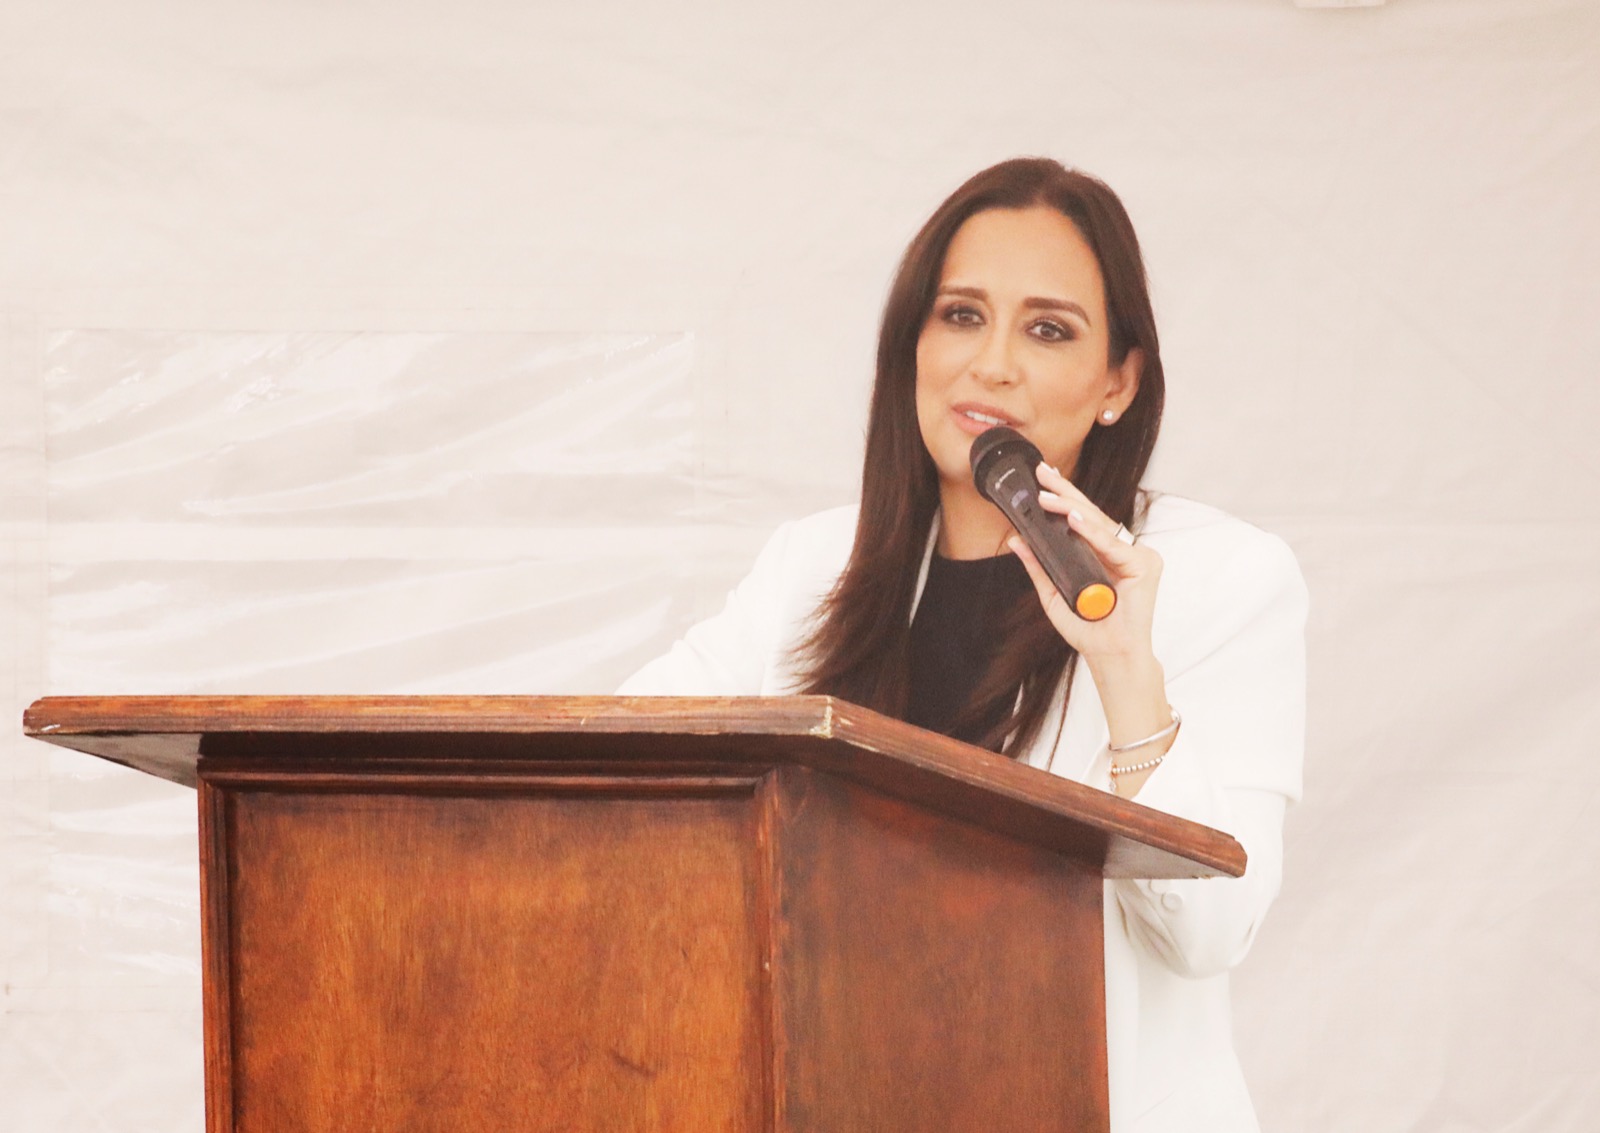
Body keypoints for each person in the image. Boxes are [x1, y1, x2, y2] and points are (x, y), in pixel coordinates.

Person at [618, 157, 1307, 1133]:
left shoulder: (1218, 577)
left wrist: (1124, 666)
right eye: (961, 315)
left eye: (1048, 329)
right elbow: (621, 760)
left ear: (1118, 381)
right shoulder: (810, 566)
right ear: (913, 343)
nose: (993, 363)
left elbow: (1209, 930)